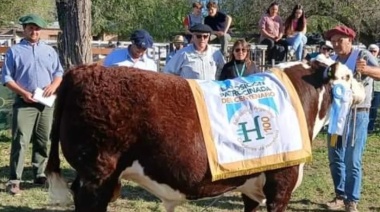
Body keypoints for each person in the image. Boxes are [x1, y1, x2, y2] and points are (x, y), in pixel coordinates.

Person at [1, 14, 64, 195]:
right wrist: (24, 93)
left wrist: (53, 85)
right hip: (24, 103)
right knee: (20, 141)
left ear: (41, 30)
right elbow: (6, 78)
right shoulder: (15, 51)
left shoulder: (49, 51)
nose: (34, 31)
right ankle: (15, 180)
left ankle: (39, 173)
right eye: (30, 28)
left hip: (46, 104)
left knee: (43, 140)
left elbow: (58, 73)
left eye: (37, 28)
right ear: (24, 29)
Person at [324, 25, 380, 212]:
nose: (336, 44)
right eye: (333, 42)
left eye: (340, 40)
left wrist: (367, 71)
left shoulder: (362, 55)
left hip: (358, 115)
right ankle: (340, 196)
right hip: (336, 117)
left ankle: (352, 200)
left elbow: (379, 73)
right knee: (334, 156)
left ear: (350, 40)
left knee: (352, 159)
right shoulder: (332, 61)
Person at [368, 44, 380, 133]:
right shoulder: (364, 61)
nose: (372, 53)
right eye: (370, 51)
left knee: (374, 109)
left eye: (374, 51)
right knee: (365, 108)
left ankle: (370, 127)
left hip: (377, 89)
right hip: (366, 89)